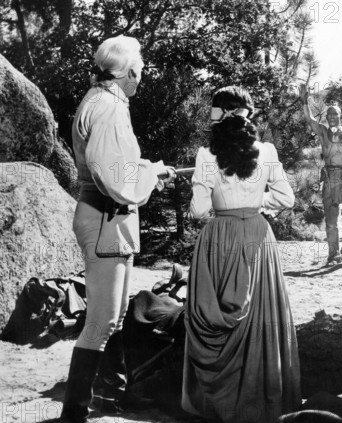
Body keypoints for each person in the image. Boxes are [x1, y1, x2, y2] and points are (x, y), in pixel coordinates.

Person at [62, 35, 175, 423]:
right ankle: (75, 411)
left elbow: (109, 165)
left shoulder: (101, 100)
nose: (141, 78)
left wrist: (150, 169)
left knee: (115, 315)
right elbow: (113, 179)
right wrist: (147, 176)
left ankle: (109, 398)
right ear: (128, 71)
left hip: (107, 216)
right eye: (140, 71)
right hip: (107, 218)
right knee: (102, 321)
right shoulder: (110, 108)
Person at [183, 86, 301, 423]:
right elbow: (286, 198)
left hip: (219, 237)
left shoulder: (206, 156)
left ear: (218, 115)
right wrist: (255, 203)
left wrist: (204, 190)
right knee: (261, 318)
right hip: (257, 237)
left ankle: (219, 402)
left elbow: (198, 210)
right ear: (248, 114)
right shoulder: (267, 151)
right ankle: (259, 398)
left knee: (216, 310)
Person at [299, 84, 342, 264]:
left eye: (336, 114)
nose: (333, 117)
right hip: (330, 178)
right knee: (331, 219)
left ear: (340, 116)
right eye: (330, 114)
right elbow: (309, 118)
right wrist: (305, 101)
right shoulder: (323, 131)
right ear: (326, 117)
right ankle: (333, 254)